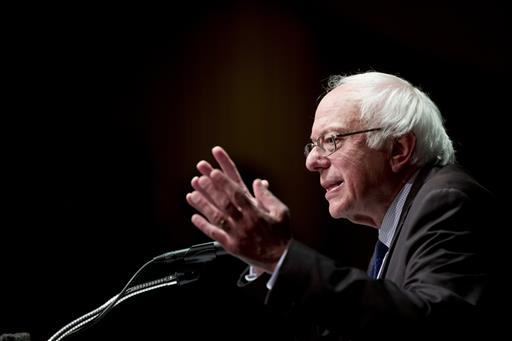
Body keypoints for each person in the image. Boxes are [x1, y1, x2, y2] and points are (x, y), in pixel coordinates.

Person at [185, 71, 503, 340]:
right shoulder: (403, 220)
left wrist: (279, 255)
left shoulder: (446, 200)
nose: (311, 161)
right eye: (312, 144)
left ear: (398, 149)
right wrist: (270, 263)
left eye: (332, 140)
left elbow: (427, 329)